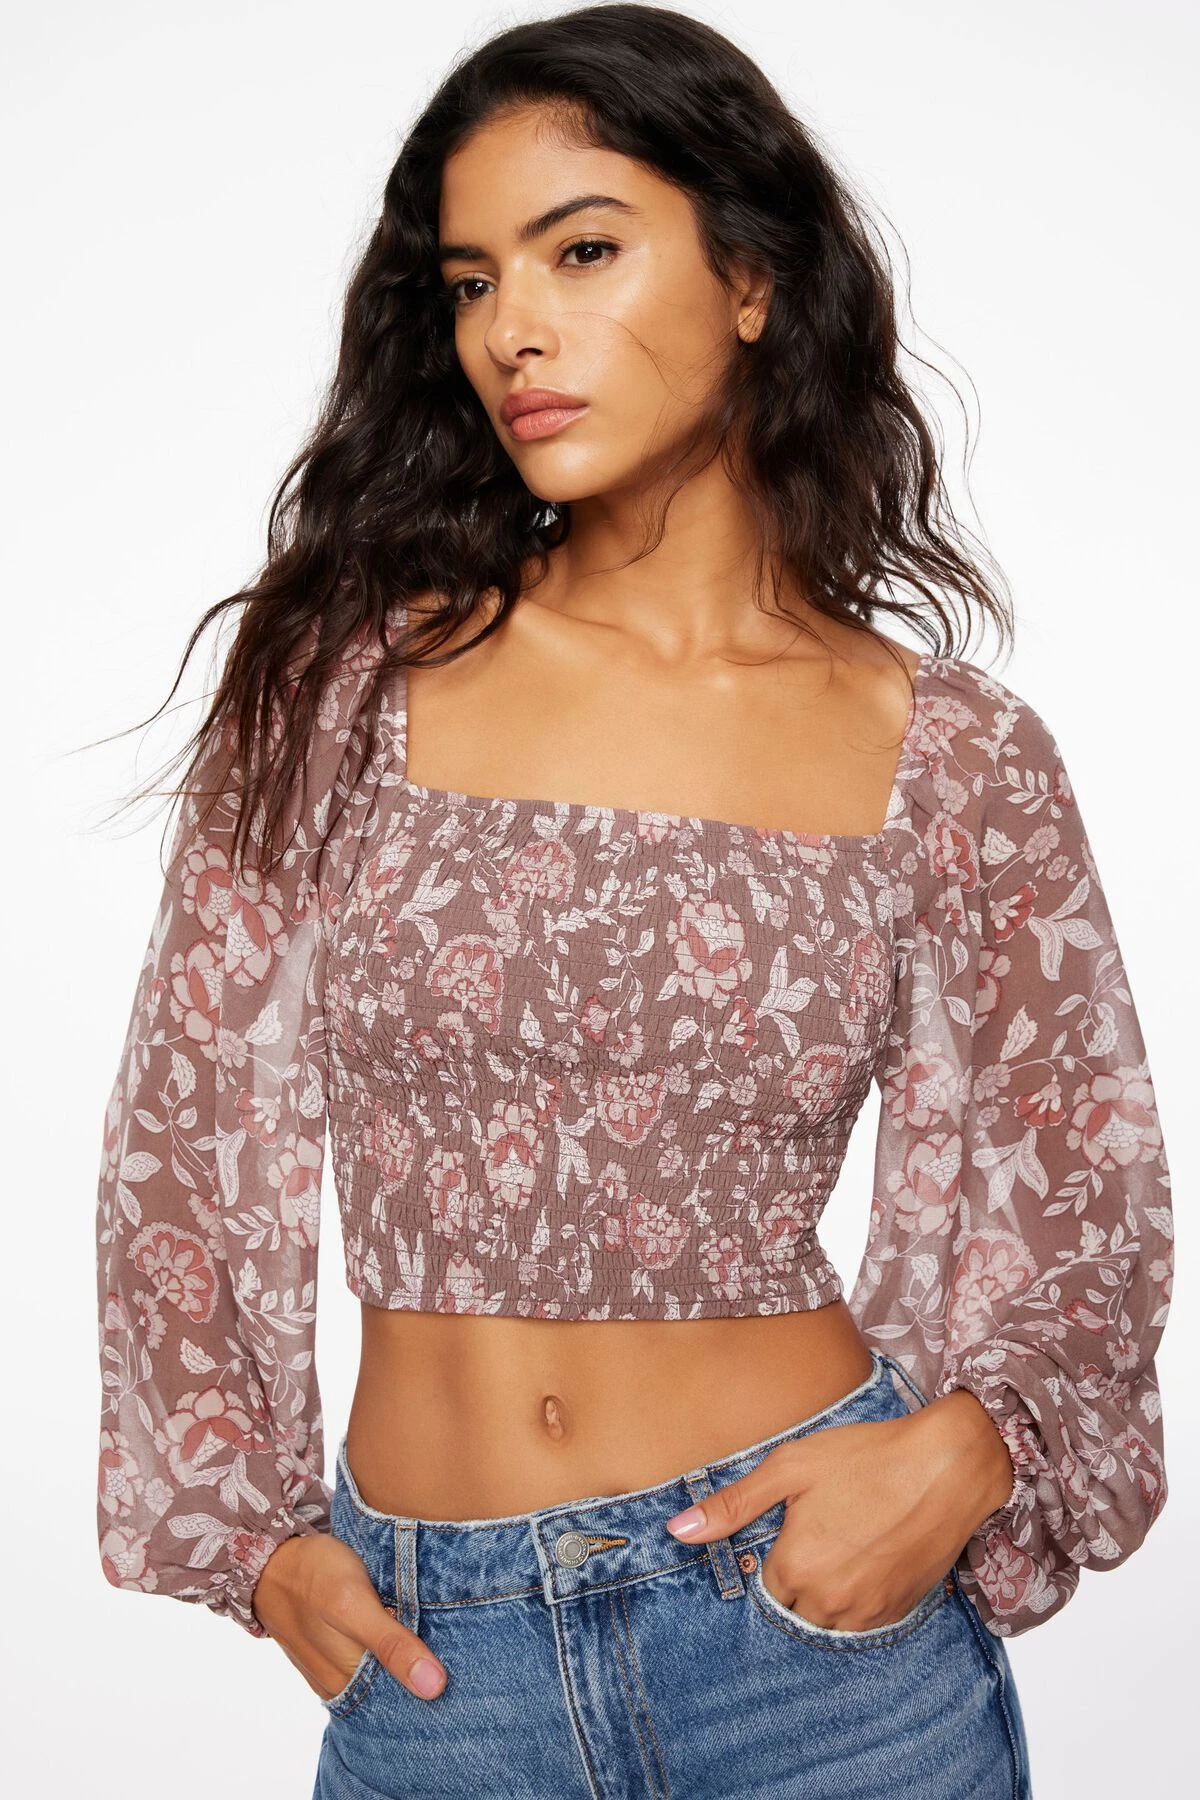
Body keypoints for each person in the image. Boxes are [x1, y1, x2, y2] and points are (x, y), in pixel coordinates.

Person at [93, 7, 1172, 1796]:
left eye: (581, 251)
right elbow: (182, 1138)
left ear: (752, 278)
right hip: (442, 1666)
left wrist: (965, 1451)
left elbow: (1084, 1180)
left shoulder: (952, 753)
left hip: (816, 1657)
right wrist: (254, 1539)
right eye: (470, 281)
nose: (510, 329)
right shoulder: (346, 691)